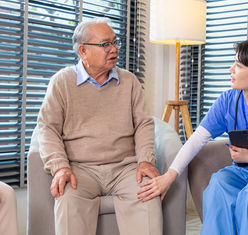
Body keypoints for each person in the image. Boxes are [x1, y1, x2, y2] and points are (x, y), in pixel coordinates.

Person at [138, 40, 248, 234]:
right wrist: (170, 175)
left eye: (238, 65)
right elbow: (197, 139)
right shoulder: (228, 100)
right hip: (244, 172)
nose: (231, 69)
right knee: (219, 182)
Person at [37, 17, 162, 235]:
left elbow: (143, 124)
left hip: (125, 168)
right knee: (67, 200)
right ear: (83, 51)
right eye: (106, 44)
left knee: (147, 194)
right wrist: (60, 167)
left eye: (115, 43)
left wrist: (145, 161)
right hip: (80, 169)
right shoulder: (61, 82)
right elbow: (47, 128)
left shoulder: (130, 81)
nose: (114, 49)